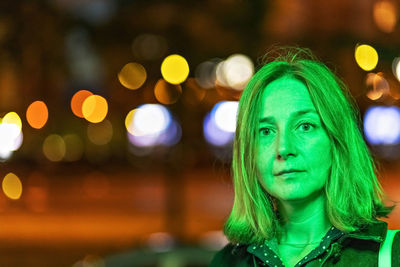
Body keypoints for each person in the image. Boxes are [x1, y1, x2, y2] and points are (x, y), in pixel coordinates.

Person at [210, 47, 400, 266]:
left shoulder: (388, 256)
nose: (283, 148)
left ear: (337, 141)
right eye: (265, 131)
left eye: (305, 126)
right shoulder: (228, 261)